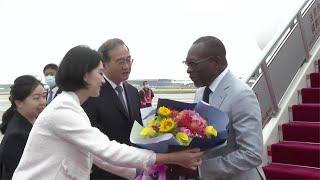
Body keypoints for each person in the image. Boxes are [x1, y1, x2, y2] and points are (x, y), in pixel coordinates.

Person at [12, 45, 203, 180]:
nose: (103, 80)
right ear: (85, 75)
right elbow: (107, 150)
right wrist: (172, 159)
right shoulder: (62, 111)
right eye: (100, 73)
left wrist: (140, 174)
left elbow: (97, 156)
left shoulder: (71, 107)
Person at [184, 36, 265, 180]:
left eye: (193, 64)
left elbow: (252, 153)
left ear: (216, 63)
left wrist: (202, 170)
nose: (188, 70)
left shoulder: (242, 95)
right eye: (187, 64)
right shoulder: (200, 93)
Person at [82, 38, 144, 179]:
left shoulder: (133, 92)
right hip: (104, 172)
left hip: (134, 169)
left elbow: (138, 129)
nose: (127, 66)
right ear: (103, 64)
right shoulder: (92, 93)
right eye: (121, 62)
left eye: (129, 60)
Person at [0, 75, 46, 179]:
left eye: (44, 96)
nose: (43, 102)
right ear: (19, 102)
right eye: (36, 98)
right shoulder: (16, 136)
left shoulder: (34, 120)